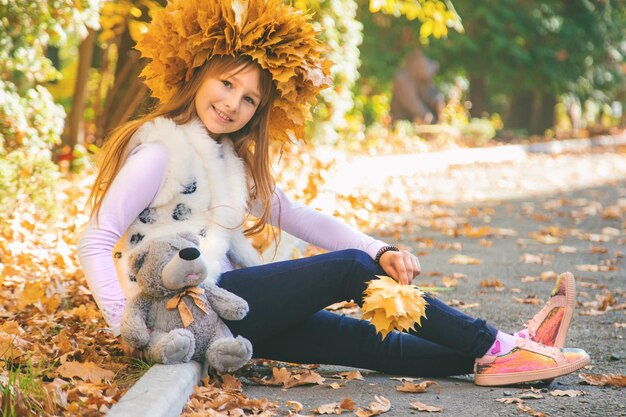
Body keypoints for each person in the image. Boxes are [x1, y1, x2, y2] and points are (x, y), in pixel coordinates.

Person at [77, 0, 590, 387]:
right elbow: (95, 239)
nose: (233, 104)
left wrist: (379, 249)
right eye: (227, 84)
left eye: (249, 98)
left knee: (377, 345)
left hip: (229, 312)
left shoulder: (227, 161)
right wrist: (132, 329)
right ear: (198, 76)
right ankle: (495, 342)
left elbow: (296, 216)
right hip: (186, 314)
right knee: (347, 269)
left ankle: (516, 359)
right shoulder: (161, 151)